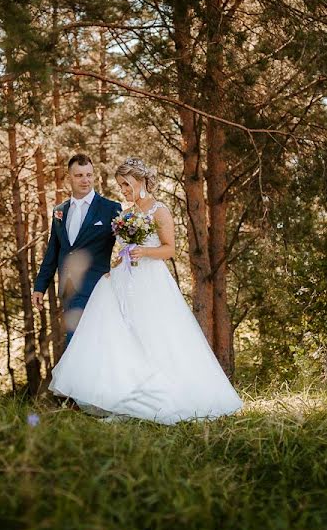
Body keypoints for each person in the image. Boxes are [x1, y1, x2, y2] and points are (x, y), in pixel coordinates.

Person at [47, 157, 243, 424]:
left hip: (150, 282)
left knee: (154, 334)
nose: (124, 190)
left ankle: (168, 394)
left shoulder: (159, 210)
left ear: (140, 181)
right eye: (121, 186)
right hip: (123, 281)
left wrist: (145, 251)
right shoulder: (127, 213)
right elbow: (123, 249)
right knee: (122, 336)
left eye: (127, 184)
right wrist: (114, 266)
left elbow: (169, 249)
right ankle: (127, 394)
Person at [33, 154, 123, 348]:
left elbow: (127, 246)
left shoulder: (111, 209)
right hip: (68, 289)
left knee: (85, 344)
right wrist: (40, 286)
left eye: (89, 175)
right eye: (79, 175)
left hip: (97, 288)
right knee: (78, 344)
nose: (85, 180)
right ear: (69, 177)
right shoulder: (60, 211)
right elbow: (53, 252)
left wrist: (118, 272)